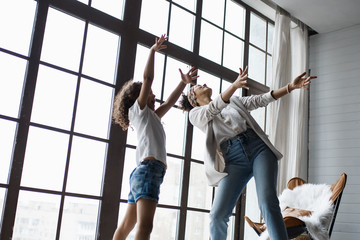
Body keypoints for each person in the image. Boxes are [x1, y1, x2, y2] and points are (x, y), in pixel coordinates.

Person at [179, 66, 316, 240]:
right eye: (198, 87)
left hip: (259, 149)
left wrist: (290, 86)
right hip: (233, 161)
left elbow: (261, 99)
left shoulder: (234, 101)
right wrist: (234, 86)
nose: (203, 84)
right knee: (217, 215)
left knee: (267, 203)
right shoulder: (196, 114)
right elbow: (213, 109)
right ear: (194, 99)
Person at [112, 34, 198, 240]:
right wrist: (152, 52)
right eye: (148, 92)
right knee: (144, 226)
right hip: (148, 170)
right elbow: (148, 79)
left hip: (142, 173)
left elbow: (169, 103)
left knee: (126, 227)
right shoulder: (138, 111)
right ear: (137, 96)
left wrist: (183, 83)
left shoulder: (151, 116)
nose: (153, 93)